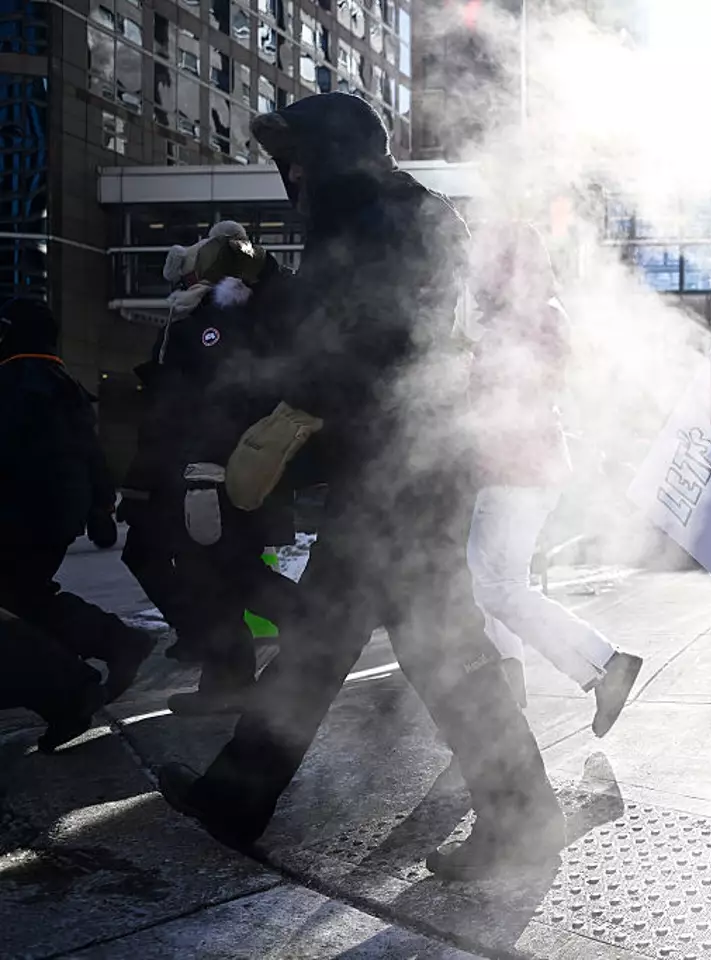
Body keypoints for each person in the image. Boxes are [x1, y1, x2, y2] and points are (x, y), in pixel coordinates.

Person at [156, 93, 562, 881]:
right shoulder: (393, 209)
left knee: (430, 649)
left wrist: (272, 330)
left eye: (299, 156)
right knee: (332, 642)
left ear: (334, 153)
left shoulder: (370, 216)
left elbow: (348, 337)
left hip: (400, 467)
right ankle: (238, 797)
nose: (292, 173)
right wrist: (266, 278)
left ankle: (524, 816)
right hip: (405, 461)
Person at [462, 219, 643, 736]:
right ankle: (511, 693)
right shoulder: (541, 315)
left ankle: (604, 665)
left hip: (512, 468)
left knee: (496, 587)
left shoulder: (519, 323)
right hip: (528, 467)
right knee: (493, 586)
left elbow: (501, 403)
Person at [118, 222, 304, 715]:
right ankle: (231, 678)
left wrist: (196, 464)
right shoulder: (217, 318)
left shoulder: (213, 323)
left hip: (210, 470)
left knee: (222, 575)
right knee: (221, 576)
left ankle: (298, 634)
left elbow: (191, 404)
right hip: (213, 468)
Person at [0, 297, 155, 750]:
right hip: (51, 517)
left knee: (17, 607)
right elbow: (91, 453)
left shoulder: (13, 384)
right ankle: (109, 650)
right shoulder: (62, 384)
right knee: (25, 601)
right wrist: (100, 508)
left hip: (17, 517)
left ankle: (73, 687)